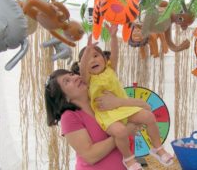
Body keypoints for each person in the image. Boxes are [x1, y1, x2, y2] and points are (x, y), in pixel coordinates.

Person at [80, 24, 173, 169]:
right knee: (120, 132)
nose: (92, 60)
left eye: (96, 56)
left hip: (123, 108)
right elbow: (83, 68)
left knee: (149, 116)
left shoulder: (111, 69)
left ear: (104, 59)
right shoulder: (88, 80)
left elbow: (115, 53)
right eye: (88, 59)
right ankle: (128, 158)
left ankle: (158, 148)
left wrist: (112, 37)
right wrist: (87, 51)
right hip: (106, 114)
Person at [45, 68, 151, 170]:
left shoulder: (102, 100)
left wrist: (119, 102)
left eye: (72, 74)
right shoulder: (69, 117)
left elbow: (146, 108)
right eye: (67, 81)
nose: (75, 78)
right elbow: (90, 156)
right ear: (64, 97)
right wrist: (126, 130)